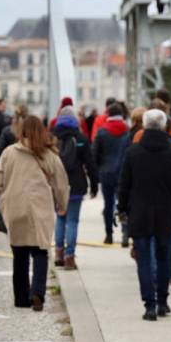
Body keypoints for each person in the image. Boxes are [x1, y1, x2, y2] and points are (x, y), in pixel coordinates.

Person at [117, 109, 171, 321]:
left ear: (145, 126)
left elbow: (124, 184)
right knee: (163, 256)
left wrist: (122, 207)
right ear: (165, 125)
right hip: (166, 211)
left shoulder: (133, 152)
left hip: (139, 211)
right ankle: (162, 301)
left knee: (144, 260)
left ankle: (149, 305)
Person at [0, 116, 69, 311]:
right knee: (41, 252)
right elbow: (61, 183)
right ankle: (37, 292)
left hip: (15, 208)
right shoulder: (50, 155)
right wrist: (62, 204)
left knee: (19, 255)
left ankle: (20, 298)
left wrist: (4, 196)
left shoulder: (9, 152)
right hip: (40, 209)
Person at [131, 103, 171, 289]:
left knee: (147, 241)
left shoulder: (136, 143)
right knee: (168, 240)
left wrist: (126, 205)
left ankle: (153, 278)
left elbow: (127, 176)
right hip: (166, 203)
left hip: (141, 202)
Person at [52, 106, 98, 269]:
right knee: (72, 220)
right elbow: (90, 164)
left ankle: (58, 253)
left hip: (57, 185)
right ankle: (69, 257)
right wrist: (94, 185)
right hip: (76, 185)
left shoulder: (53, 137)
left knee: (60, 218)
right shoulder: (81, 138)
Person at [94, 103, 130, 245]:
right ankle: (125, 232)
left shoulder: (102, 132)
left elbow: (95, 153)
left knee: (108, 204)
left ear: (108, 115)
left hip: (106, 172)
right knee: (123, 203)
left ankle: (109, 234)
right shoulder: (127, 131)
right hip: (123, 172)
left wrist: (97, 171)